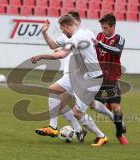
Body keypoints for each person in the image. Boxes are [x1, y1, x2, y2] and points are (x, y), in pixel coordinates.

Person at [32, 14, 109, 147]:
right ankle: (53, 127)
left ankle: (101, 136)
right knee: (53, 90)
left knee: (77, 113)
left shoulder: (78, 37)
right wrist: (44, 32)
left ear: (67, 26)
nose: (63, 33)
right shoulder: (75, 36)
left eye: (62, 30)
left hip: (91, 80)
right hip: (78, 77)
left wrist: (41, 56)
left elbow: (61, 54)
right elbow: (54, 46)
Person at [93, 14, 129, 145]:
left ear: (113, 26)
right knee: (91, 104)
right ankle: (96, 134)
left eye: (106, 27)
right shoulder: (99, 36)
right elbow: (95, 52)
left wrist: (100, 45)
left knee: (116, 107)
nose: (103, 30)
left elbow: (117, 51)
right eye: (102, 27)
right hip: (98, 77)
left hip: (112, 77)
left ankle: (120, 134)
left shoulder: (119, 39)